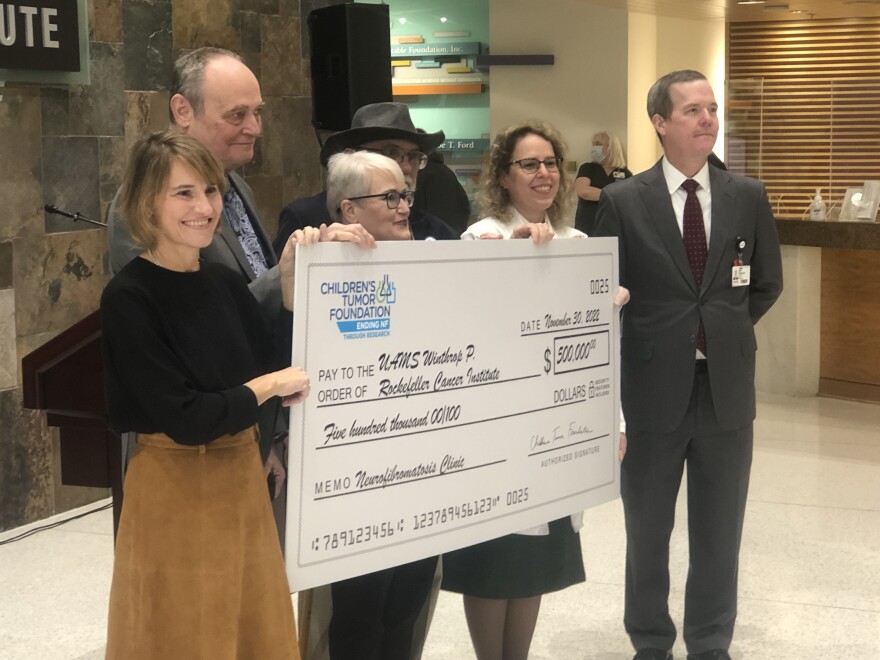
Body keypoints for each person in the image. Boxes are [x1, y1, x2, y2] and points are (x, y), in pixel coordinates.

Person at [593, 70, 783, 660]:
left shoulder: (746, 195)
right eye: (693, 110)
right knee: (647, 533)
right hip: (651, 392)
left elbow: (766, 284)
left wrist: (717, 333)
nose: (708, 119)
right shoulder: (623, 201)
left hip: (725, 391)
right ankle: (650, 643)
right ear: (660, 123)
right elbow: (603, 294)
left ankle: (710, 643)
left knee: (720, 535)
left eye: (712, 108)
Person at [100, 131, 311, 659]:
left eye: (212, 191)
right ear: (147, 202)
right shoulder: (128, 296)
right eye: (184, 193)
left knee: (252, 628)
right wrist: (265, 388)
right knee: (184, 634)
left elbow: (270, 368)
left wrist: (291, 288)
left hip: (242, 476)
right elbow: (189, 416)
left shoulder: (222, 283)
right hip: (174, 486)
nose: (204, 207)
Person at [105, 47, 288, 496]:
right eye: (237, 114)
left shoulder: (236, 186)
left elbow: (245, 326)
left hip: (245, 434)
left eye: (258, 113)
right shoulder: (137, 215)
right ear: (183, 110)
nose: (254, 128)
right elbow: (193, 339)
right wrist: (288, 275)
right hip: (182, 456)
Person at [443, 121, 587, 660]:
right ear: (503, 177)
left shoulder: (578, 244)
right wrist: (513, 257)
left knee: (535, 564)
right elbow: (468, 331)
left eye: (551, 163)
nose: (544, 173)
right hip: (495, 438)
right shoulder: (481, 238)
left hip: (552, 432)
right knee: (493, 561)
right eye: (529, 164)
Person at [291, 150, 437, 660]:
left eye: (406, 196)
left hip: (424, 471)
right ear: (349, 210)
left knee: (405, 609)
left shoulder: (434, 259)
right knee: (359, 618)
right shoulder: (316, 266)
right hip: (356, 482)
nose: (404, 207)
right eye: (391, 197)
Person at [273, 102, 458, 256]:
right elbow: (281, 291)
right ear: (352, 156)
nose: (407, 167)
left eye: (414, 156)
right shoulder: (305, 221)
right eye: (391, 153)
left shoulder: (436, 231)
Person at [574, 130, 632, 235]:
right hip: (587, 227)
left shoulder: (625, 173)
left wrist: (598, 194)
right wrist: (614, 196)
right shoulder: (588, 168)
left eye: (598, 144)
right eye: (593, 144)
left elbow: (628, 200)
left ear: (611, 148)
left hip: (614, 228)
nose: (594, 148)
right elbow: (583, 191)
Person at [413, 147, 471, 234]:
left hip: (425, 236)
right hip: (450, 234)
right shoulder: (448, 173)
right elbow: (465, 206)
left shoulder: (418, 173)